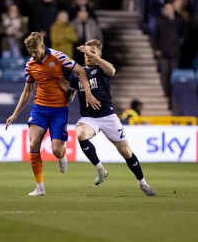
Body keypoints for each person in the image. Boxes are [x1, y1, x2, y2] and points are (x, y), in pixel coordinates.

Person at [5, 32, 100, 196]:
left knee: (56, 150)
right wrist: (14, 114)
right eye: (30, 53)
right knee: (33, 144)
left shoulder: (59, 57)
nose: (33, 55)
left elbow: (81, 71)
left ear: (42, 46)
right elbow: (27, 92)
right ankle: (40, 187)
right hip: (39, 109)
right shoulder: (30, 65)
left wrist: (89, 92)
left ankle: (62, 156)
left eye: (35, 52)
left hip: (58, 109)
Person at [63, 39, 156, 196]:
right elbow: (69, 97)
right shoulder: (78, 73)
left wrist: (93, 56)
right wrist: (65, 91)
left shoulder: (101, 69)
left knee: (126, 152)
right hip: (89, 118)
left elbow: (112, 70)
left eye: (92, 52)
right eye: (86, 52)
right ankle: (100, 169)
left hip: (108, 116)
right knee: (80, 134)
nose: (88, 55)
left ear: (99, 54)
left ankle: (143, 184)